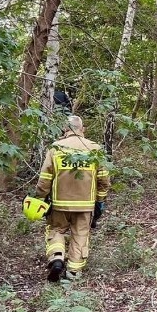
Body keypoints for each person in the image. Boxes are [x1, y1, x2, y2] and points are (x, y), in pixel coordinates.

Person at [33, 115, 110, 282]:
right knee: (80, 234)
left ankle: (57, 258)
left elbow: (45, 177)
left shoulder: (56, 148)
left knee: (56, 230)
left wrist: (40, 197)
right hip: (85, 204)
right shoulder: (94, 148)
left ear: (65, 130)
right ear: (82, 129)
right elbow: (103, 179)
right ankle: (73, 272)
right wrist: (100, 201)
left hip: (59, 204)